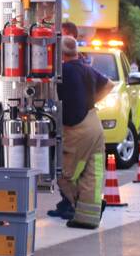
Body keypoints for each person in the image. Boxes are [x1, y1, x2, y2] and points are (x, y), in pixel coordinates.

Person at [48, 35, 114, 229]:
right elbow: (109, 85)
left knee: (63, 173)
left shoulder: (64, 70)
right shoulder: (86, 68)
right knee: (92, 172)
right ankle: (88, 217)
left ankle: (81, 207)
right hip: (95, 124)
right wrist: (91, 101)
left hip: (76, 129)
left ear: (60, 53)